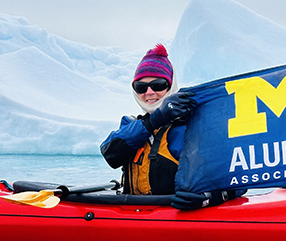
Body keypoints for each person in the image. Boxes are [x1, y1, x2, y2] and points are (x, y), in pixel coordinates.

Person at [100, 44, 243, 210]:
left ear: (170, 85)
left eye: (158, 85)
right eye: (141, 87)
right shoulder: (129, 125)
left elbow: (236, 176)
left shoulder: (191, 127)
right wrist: (153, 121)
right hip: (136, 218)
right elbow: (110, 153)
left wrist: (210, 197)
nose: (149, 92)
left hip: (178, 221)